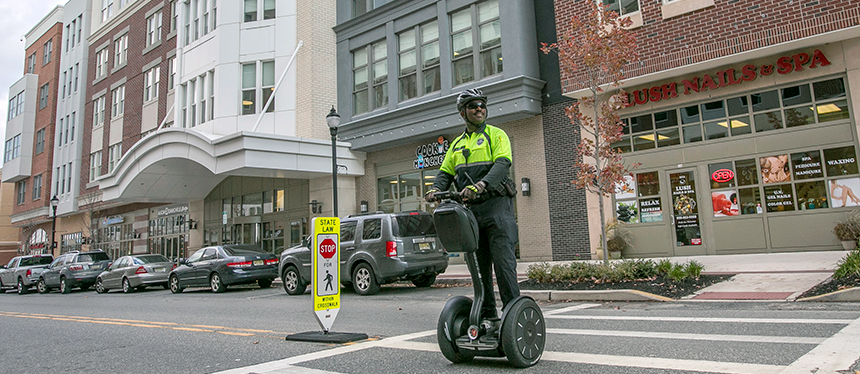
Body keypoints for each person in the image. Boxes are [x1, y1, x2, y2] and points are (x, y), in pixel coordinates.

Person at [424, 88, 519, 319]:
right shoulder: (456, 145)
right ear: (462, 113)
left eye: (482, 105)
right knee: (478, 268)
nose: (479, 109)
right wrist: (436, 189)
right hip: (471, 214)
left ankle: (513, 314)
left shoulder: (496, 135)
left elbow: (502, 164)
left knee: (503, 265)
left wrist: (481, 185)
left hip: (497, 209)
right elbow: (445, 172)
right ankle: (487, 315)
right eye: (473, 105)